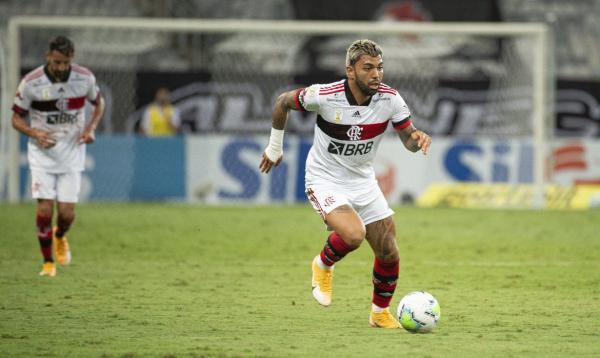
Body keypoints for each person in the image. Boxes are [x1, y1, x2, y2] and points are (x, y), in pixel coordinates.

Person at [259, 39, 431, 328]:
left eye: (380, 68)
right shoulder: (325, 95)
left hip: (363, 180)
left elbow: (408, 139)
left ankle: (379, 313)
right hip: (324, 179)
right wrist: (274, 148)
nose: (376, 74)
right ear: (350, 71)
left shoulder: (390, 99)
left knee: (388, 249)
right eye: (368, 68)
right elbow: (282, 102)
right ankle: (322, 264)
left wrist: (417, 139)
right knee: (353, 235)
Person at [11, 35, 105, 277]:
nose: (61, 68)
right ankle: (48, 263)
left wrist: (90, 128)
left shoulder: (84, 78)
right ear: (48, 57)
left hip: (72, 151)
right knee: (44, 209)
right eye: (57, 62)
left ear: (71, 59)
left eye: (66, 63)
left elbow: (99, 103)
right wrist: (34, 132)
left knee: (66, 214)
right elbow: (16, 118)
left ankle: (60, 235)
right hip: (42, 153)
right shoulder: (31, 83)